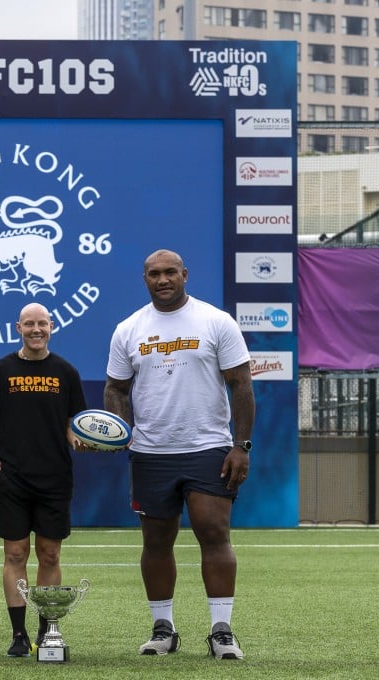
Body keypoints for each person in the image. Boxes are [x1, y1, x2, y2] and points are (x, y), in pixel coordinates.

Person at [104, 249, 254, 660]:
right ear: (145, 279)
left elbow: (241, 384)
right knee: (156, 540)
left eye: (170, 272)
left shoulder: (215, 321)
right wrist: (121, 431)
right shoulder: (128, 329)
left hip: (207, 447)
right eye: (154, 273)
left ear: (185, 274)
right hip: (151, 452)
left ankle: (222, 631)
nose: (163, 279)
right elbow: (115, 388)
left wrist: (240, 445)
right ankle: (163, 629)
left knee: (213, 532)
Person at [0, 302, 87, 657]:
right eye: (29, 324)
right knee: (15, 553)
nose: (36, 330)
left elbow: (72, 424)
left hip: (55, 478)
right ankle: (19, 635)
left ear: (51, 326)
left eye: (42, 324)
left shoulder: (66, 372)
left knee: (50, 555)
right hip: (13, 478)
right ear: (18, 328)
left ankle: (47, 631)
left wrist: (82, 441)